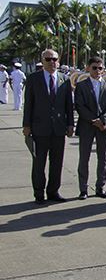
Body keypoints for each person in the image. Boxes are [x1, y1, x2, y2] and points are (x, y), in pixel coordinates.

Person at [22, 49, 74, 204]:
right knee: (39, 162)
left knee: (57, 162)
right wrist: (26, 125)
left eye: (55, 59)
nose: (52, 62)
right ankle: (39, 193)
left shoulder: (64, 79)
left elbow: (68, 105)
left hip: (58, 128)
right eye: (48, 59)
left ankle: (53, 191)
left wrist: (70, 124)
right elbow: (29, 104)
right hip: (39, 128)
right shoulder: (33, 79)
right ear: (42, 61)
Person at [74, 56, 106, 200]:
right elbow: (79, 106)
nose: (98, 71)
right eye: (94, 68)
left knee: (103, 158)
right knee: (84, 158)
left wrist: (102, 120)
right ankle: (83, 189)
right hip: (87, 125)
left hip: (104, 127)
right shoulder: (81, 86)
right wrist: (93, 120)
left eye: (100, 68)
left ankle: (100, 187)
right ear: (88, 68)